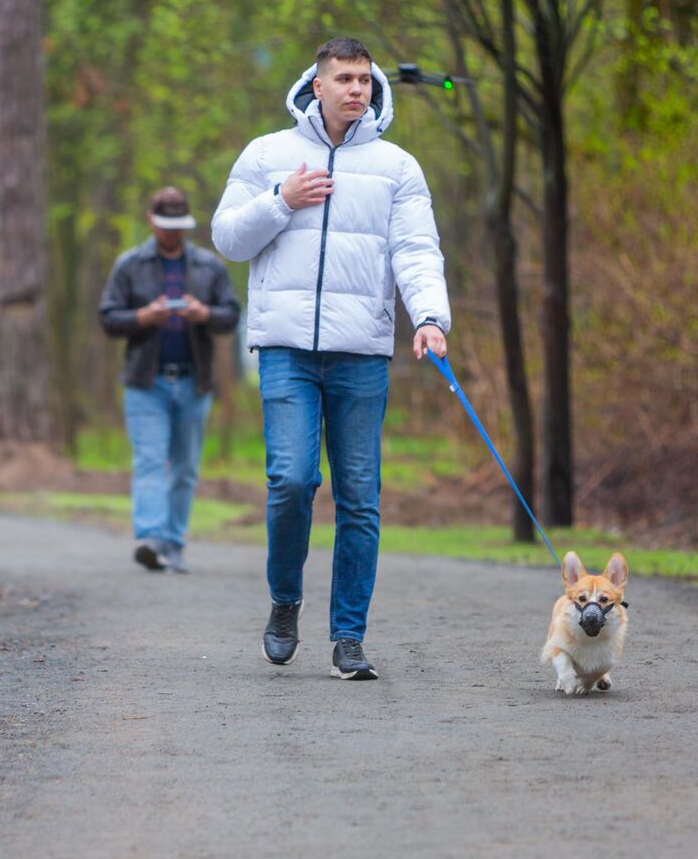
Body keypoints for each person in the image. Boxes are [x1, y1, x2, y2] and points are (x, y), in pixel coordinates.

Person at [211, 37, 451, 680]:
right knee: (291, 482)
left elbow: (417, 249)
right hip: (286, 347)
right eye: (343, 78)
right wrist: (281, 200)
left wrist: (429, 317)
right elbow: (228, 237)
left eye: (364, 79)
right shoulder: (268, 155)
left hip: (361, 353)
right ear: (315, 86)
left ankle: (348, 636)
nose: (356, 89)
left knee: (359, 498)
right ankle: (285, 601)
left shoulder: (397, 167)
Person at [98, 186, 242, 574]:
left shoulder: (209, 267)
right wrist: (143, 317)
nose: (172, 233)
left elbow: (230, 315)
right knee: (149, 460)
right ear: (151, 221)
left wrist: (203, 314)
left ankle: (173, 544)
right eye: (166, 226)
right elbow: (109, 317)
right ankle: (150, 538)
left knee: (185, 467)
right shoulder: (129, 266)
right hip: (146, 383)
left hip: (194, 382)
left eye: (179, 226)